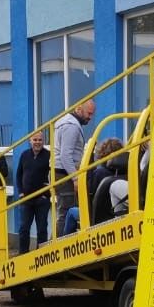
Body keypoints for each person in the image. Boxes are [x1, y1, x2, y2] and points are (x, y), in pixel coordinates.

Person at [52, 100, 95, 236]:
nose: (90, 117)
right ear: (79, 109)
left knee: (64, 212)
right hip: (65, 174)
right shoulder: (72, 127)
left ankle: (54, 243)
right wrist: (75, 178)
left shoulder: (67, 122)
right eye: (89, 113)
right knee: (65, 213)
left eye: (92, 114)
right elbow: (65, 155)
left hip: (62, 173)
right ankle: (58, 245)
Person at [13, 131, 52, 254]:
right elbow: (19, 175)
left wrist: (47, 194)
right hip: (26, 199)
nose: (37, 142)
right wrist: (20, 192)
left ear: (43, 141)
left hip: (42, 199)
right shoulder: (25, 155)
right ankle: (23, 254)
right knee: (24, 228)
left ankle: (41, 254)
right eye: (35, 140)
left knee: (42, 229)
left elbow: (53, 177)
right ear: (30, 141)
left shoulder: (49, 155)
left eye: (40, 140)